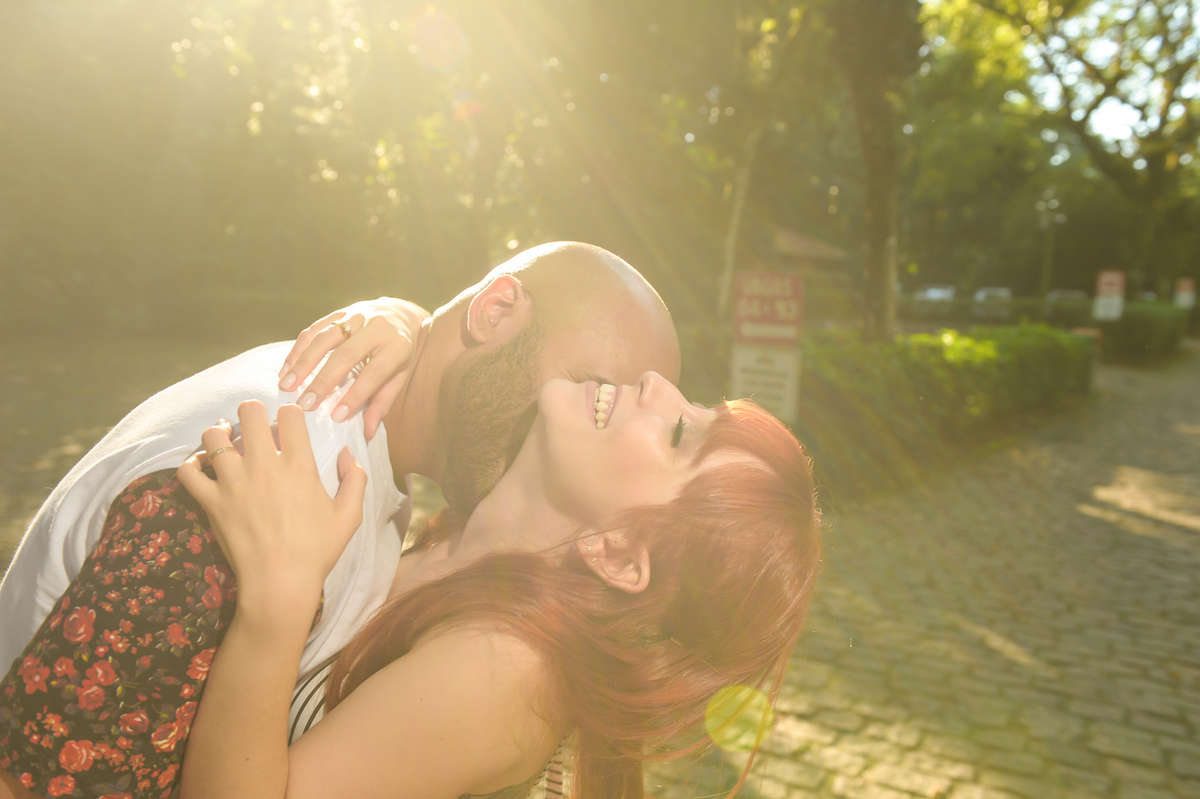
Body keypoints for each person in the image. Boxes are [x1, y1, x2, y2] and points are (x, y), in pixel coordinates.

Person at [2, 372, 821, 799]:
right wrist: (399, 320)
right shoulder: (468, 535)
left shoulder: (508, 669)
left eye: (682, 433)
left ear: (619, 555)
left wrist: (278, 603)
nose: (658, 384)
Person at [0, 241, 681, 681]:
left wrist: (407, 316)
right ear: (495, 309)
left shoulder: (365, 458)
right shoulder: (277, 475)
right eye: (595, 396)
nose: (582, 433)